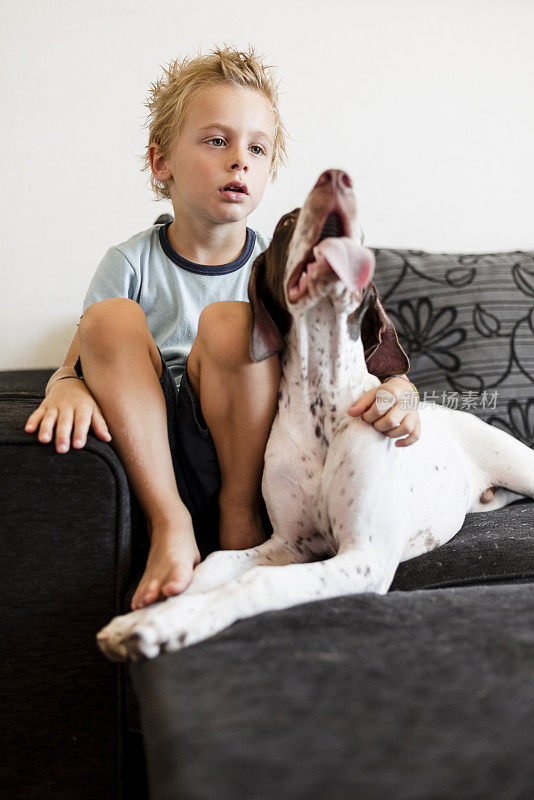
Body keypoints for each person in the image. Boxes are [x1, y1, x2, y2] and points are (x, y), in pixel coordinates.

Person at [24, 45, 420, 611]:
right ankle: (171, 525)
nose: (240, 161)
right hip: (150, 435)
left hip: (245, 447)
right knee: (107, 318)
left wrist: (398, 396)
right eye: (217, 141)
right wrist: (65, 384)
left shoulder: (283, 264)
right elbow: (80, 356)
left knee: (233, 323)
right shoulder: (129, 261)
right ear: (162, 163)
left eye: (257, 149)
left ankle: (241, 519)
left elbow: (378, 363)